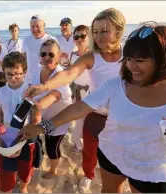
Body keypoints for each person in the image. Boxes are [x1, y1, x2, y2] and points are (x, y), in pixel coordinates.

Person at [19, 23, 166, 193]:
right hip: (111, 155)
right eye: (128, 59)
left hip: (153, 170)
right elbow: (79, 108)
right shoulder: (117, 85)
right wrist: (42, 127)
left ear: (164, 58)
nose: (130, 67)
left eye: (140, 61)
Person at [23, 8, 126, 192]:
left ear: (118, 31)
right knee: (88, 150)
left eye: (104, 31)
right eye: (95, 31)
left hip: (122, 118)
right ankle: (88, 175)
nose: (99, 36)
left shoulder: (130, 56)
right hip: (95, 113)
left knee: (117, 161)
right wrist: (44, 86)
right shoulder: (91, 57)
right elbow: (69, 74)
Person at [0, 52, 42, 193]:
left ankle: (23, 187)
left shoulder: (31, 91)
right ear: (4, 73)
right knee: (6, 171)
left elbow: (37, 117)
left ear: (25, 72)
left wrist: (27, 137)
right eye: (9, 74)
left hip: (27, 136)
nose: (13, 78)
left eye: (17, 74)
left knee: (26, 168)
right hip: (7, 137)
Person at [28, 39, 72, 179]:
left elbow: (42, 103)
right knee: (41, 142)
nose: (47, 57)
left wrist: (33, 124)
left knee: (52, 147)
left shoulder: (61, 77)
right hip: (42, 116)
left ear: (59, 56)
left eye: (51, 54)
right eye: (43, 54)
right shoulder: (38, 71)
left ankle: (53, 171)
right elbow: (30, 92)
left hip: (58, 120)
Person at [69, 25, 91, 153]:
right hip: (76, 92)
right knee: (78, 119)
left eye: (83, 36)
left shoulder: (94, 54)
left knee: (87, 121)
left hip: (90, 92)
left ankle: (82, 143)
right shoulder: (73, 55)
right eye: (76, 36)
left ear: (88, 37)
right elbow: (71, 75)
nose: (79, 39)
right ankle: (78, 143)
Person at [22, 14, 57, 80]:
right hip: (30, 79)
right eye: (32, 27)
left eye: (38, 26)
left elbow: (56, 60)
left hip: (47, 78)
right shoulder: (26, 40)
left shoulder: (52, 40)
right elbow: (23, 58)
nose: (35, 29)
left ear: (44, 26)